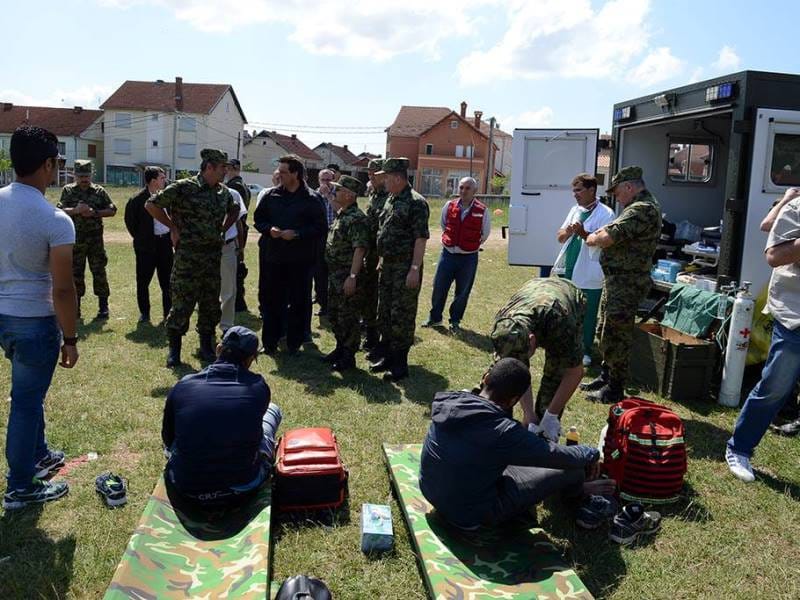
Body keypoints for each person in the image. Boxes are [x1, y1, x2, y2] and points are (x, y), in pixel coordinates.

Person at [419, 358, 613, 530]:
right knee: (572, 469)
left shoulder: (452, 400)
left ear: (486, 379)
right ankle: (580, 500)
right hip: (471, 516)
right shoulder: (503, 432)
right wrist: (592, 453)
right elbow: (559, 456)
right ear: (513, 400)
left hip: (431, 492)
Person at [1, 126, 79, 509]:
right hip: (33, 318)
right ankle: (20, 486)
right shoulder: (56, 219)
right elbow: (63, 289)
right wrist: (71, 338)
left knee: (28, 395)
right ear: (48, 164)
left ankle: (39, 454)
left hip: (3, 315)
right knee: (27, 402)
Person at [161, 326, 282, 505]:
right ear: (250, 359)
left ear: (219, 349)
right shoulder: (258, 386)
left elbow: (168, 438)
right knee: (273, 410)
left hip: (186, 488)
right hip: (242, 486)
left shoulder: (183, 385)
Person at [726, 194, 800, 481]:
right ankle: (740, 447)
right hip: (795, 312)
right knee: (776, 386)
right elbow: (774, 256)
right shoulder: (795, 207)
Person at [146, 148, 240, 367]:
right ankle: (174, 351)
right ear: (209, 167)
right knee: (181, 304)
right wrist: (172, 227)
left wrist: (223, 229)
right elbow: (151, 204)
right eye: (222, 168)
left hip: (211, 258)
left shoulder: (223, 192)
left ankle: (205, 347)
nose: (225, 172)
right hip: (188, 257)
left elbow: (234, 210)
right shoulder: (183, 187)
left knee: (210, 305)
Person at [583, 166, 661, 404]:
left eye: (617, 191)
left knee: (618, 334)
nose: (616, 197)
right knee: (606, 329)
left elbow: (605, 237)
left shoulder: (642, 209)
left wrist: (592, 237)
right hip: (618, 280)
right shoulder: (636, 208)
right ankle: (606, 376)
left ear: (629, 186)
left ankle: (615, 388)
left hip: (627, 282)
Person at [490, 277, 586, 441]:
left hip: (567, 296)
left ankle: (543, 437)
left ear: (533, 340)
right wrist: (528, 414)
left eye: (522, 357)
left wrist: (551, 415)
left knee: (555, 375)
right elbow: (516, 373)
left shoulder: (562, 323)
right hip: (534, 291)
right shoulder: (504, 327)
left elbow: (574, 372)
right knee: (505, 381)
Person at [253, 155, 327, 355]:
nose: (279, 175)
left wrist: (297, 234)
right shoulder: (271, 196)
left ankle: (293, 343)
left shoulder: (312, 199)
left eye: (284, 172)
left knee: (298, 301)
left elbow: (321, 228)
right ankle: (269, 342)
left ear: (296, 174)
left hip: (300, 261)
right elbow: (258, 220)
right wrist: (270, 230)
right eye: (279, 171)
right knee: (271, 301)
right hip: (273, 259)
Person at [368, 157, 430, 381]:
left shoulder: (416, 202)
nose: (382, 181)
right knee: (384, 311)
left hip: (405, 267)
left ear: (396, 177)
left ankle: (400, 364)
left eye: (385, 177)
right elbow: (384, 233)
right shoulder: (390, 199)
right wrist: (382, 258)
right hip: (388, 266)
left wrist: (414, 268)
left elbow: (420, 238)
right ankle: (387, 356)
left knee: (401, 315)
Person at [553, 173, 615, 366]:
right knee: (568, 309)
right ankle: (565, 346)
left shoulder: (606, 213)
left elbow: (605, 242)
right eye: (574, 190)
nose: (575, 194)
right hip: (568, 267)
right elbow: (560, 236)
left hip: (590, 270)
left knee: (587, 313)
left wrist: (583, 233)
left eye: (579, 190)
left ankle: (585, 350)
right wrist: (570, 231)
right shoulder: (575, 210)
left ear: (591, 190)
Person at [422, 176, 490, 333]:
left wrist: (469, 245)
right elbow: (444, 224)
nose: (463, 191)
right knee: (439, 287)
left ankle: (455, 321)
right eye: (461, 187)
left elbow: (484, 234)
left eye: (467, 188)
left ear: (474, 191)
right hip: (448, 254)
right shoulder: (449, 205)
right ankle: (435, 317)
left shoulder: (482, 210)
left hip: (469, 258)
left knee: (462, 291)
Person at [57, 159, 117, 319]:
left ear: (91, 175)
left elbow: (112, 210)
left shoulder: (99, 191)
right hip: (76, 240)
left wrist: (94, 213)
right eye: (81, 176)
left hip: (95, 240)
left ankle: (103, 308)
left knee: (99, 272)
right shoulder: (68, 191)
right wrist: (76, 210)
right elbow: (59, 210)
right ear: (75, 175)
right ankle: (76, 308)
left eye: (87, 176)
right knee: (76, 273)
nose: (84, 179)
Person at [323, 175, 369, 371]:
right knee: (334, 314)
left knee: (348, 317)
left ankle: (348, 356)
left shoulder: (357, 219)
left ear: (350, 196)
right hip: (335, 274)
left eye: (339, 190)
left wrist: (352, 277)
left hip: (346, 274)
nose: (335, 192)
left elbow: (360, 249)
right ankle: (340, 348)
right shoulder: (343, 214)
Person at [124, 166, 173, 323]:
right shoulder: (137, 200)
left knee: (167, 282)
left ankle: (168, 313)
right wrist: (142, 239)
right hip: (146, 246)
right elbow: (130, 223)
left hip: (165, 243)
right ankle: (145, 313)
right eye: (162, 178)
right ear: (153, 181)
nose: (164, 180)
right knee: (143, 281)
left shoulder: (167, 197)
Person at [362, 159, 390, 354]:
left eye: (374, 173)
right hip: (370, 252)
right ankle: (370, 335)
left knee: (383, 297)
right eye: (369, 173)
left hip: (383, 254)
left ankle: (382, 339)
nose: (370, 176)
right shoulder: (373, 193)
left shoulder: (391, 196)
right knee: (369, 294)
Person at [224, 159, 252, 314]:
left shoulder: (235, 186)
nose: (225, 171)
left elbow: (237, 215)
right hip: (238, 229)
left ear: (234, 168)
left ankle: (238, 302)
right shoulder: (241, 184)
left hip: (236, 229)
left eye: (227, 168)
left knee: (234, 269)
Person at [219, 187, 248, 334]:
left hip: (228, 246)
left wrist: (240, 248)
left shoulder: (232, 193)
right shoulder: (195, 190)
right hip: (204, 247)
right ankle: (206, 328)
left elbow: (238, 223)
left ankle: (226, 326)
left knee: (229, 289)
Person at [313, 169, 338, 317]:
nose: (326, 183)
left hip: (335, 238)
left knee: (333, 273)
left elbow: (339, 210)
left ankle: (334, 305)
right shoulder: (314, 195)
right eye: (323, 180)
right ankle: (323, 304)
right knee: (319, 272)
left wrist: (329, 195)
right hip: (319, 238)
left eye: (329, 180)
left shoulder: (338, 193)